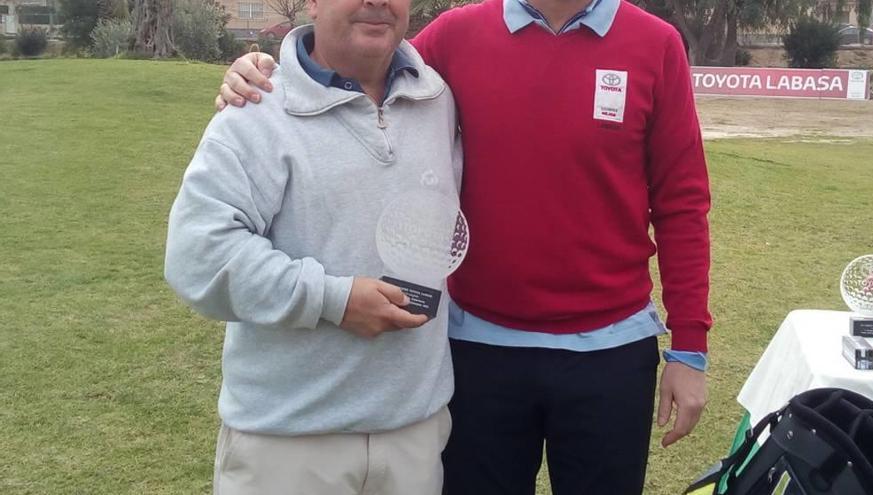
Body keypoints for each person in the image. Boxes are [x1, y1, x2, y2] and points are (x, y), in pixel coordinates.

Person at [214, 0, 713, 492]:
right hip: (478, 349)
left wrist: (689, 349)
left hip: (611, 350)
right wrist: (269, 68)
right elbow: (364, 59)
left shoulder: (656, 44)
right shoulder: (456, 35)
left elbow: (682, 203)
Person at [163, 0, 462, 491]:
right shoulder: (258, 107)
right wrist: (333, 300)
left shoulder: (439, 101)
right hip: (289, 442)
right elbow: (199, 255)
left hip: (416, 431)